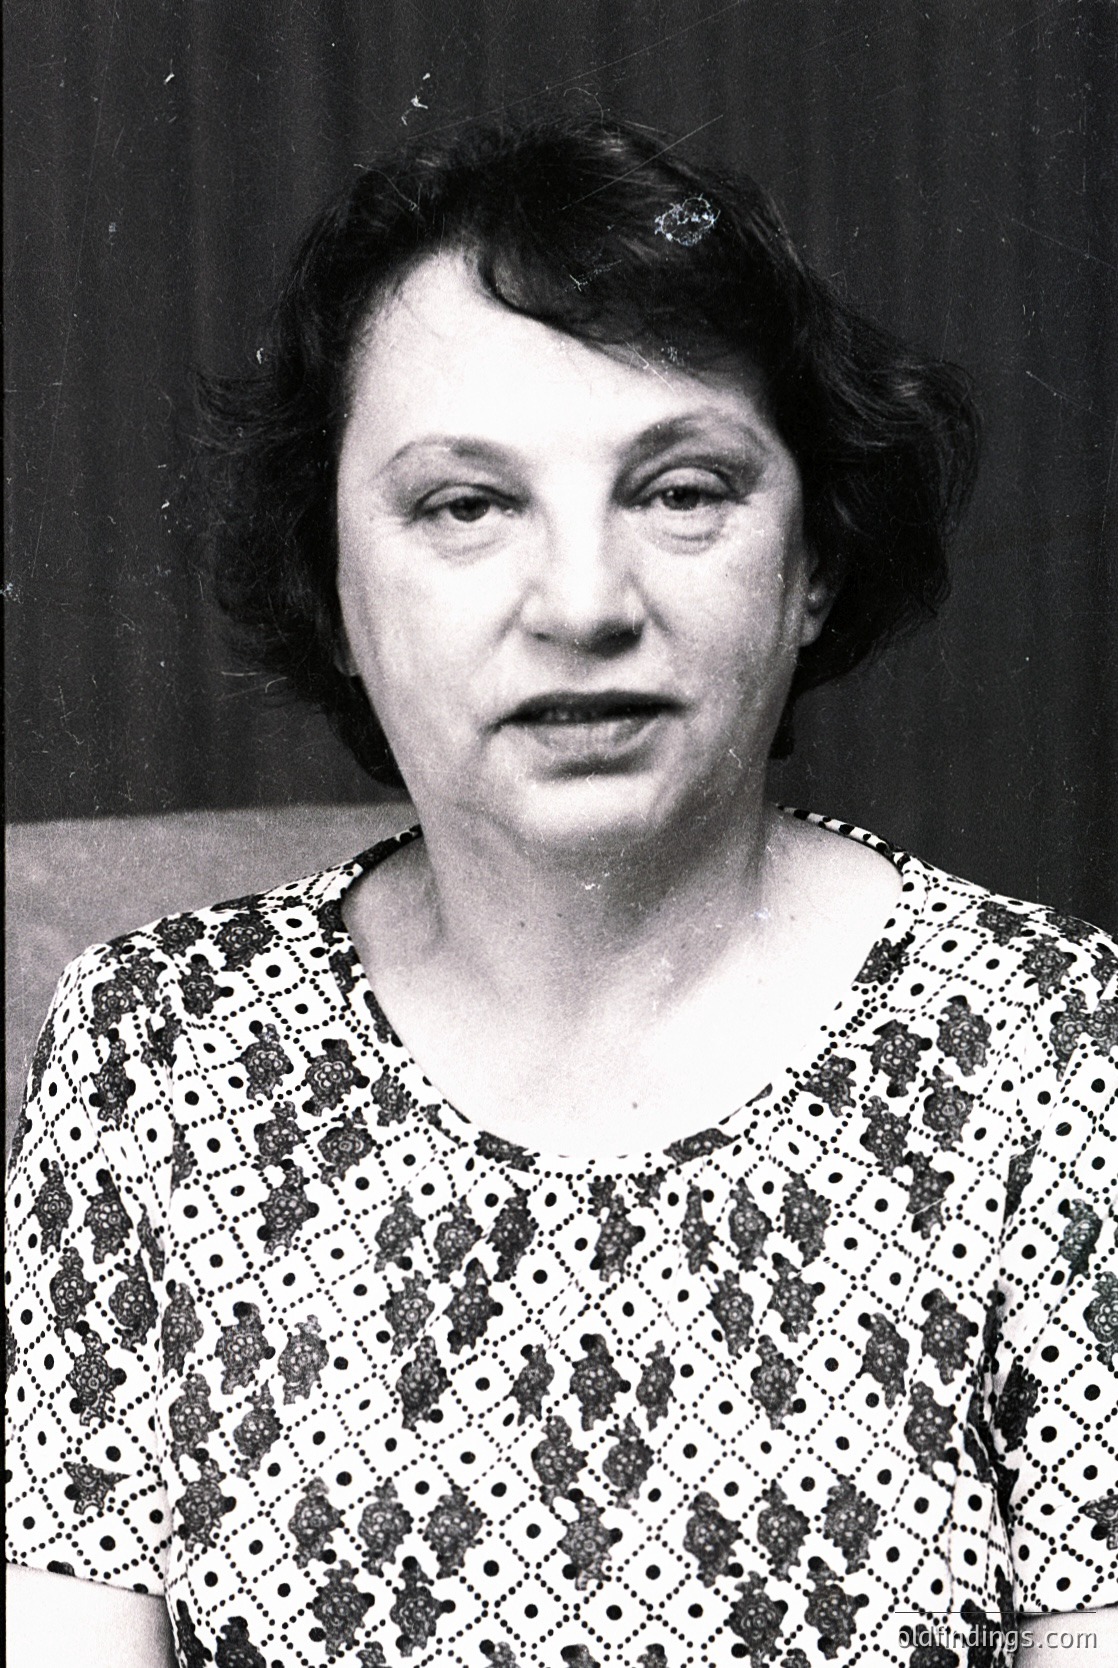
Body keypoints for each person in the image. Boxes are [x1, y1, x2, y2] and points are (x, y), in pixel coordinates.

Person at [5, 116, 1115, 1668]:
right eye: (465, 504)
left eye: (681, 490)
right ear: (329, 586)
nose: (584, 604)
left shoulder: (1051, 1053)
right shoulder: (155, 1052)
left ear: (811, 563)